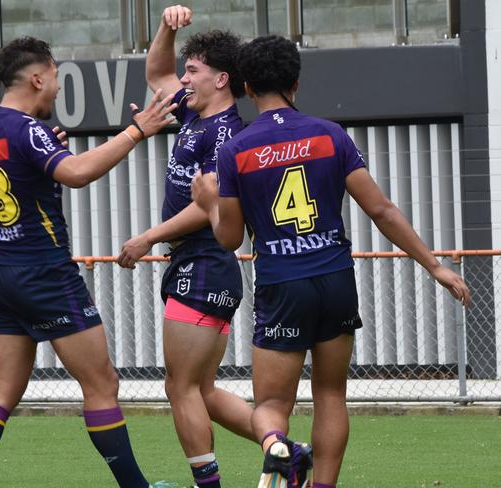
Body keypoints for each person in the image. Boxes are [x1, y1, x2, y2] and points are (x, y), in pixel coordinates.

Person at [192, 35, 472, 488]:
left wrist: (208, 204)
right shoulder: (329, 134)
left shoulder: (235, 150)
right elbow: (381, 210)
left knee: (271, 407)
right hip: (336, 279)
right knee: (330, 394)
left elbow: (228, 239)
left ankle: (276, 447)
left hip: (282, 285)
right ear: (296, 83)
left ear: (245, 86)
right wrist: (435, 266)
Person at [0, 36, 178, 488]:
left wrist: (46, 149)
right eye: (56, 77)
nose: (58, 88)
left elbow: (23, 175)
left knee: (1, 391)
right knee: (102, 384)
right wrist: (137, 130)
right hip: (44, 273)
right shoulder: (28, 130)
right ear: (37, 77)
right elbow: (77, 173)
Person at [117, 5, 255, 488]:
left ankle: (208, 486)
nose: (183, 78)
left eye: (192, 71)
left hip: (206, 262)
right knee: (201, 389)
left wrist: (148, 237)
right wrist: (165, 27)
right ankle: (283, 447)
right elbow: (156, 71)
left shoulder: (227, 133)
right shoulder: (191, 112)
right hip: (198, 265)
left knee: (179, 387)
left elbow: (207, 207)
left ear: (221, 80)